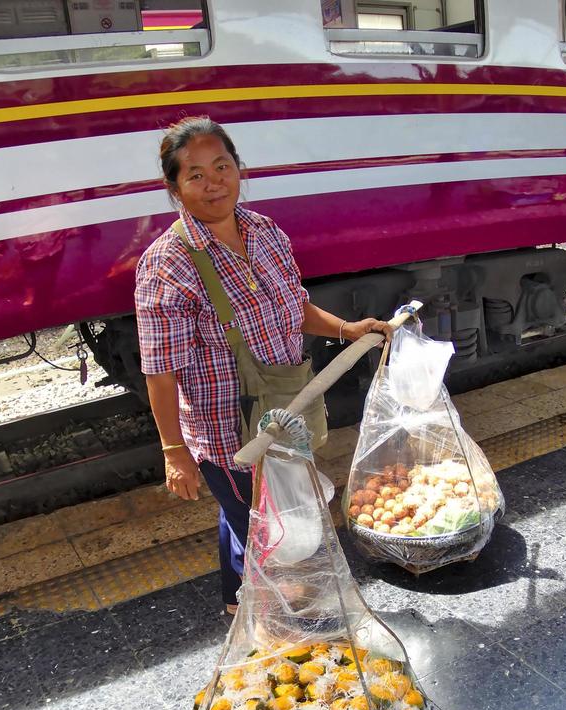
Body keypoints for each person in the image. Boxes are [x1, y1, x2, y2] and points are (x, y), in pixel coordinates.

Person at [135, 116, 391, 616]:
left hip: (286, 412)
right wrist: (174, 452)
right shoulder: (167, 264)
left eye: (222, 166)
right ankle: (273, 613)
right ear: (174, 187)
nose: (214, 183)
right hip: (232, 434)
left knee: (248, 516)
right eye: (195, 175)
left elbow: (295, 306)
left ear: (239, 168)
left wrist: (348, 330)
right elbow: (159, 371)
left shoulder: (264, 231)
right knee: (268, 524)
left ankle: (238, 602)